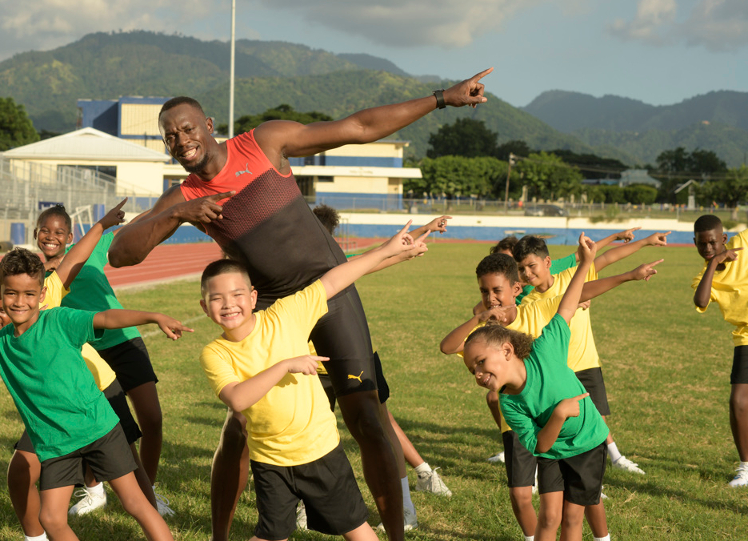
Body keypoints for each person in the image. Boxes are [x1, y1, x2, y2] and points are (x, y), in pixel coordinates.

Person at [109, 68, 492, 540]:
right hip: (269, 310)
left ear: (209, 124)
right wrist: (177, 213)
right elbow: (120, 254)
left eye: (187, 128)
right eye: (170, 136)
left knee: (367, 418)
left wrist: (441, 98)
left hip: (327, 292)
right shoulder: (184, 195)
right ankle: (220, 537)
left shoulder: (264, 142)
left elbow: (359, 128)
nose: (181, 140)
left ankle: (393, 533)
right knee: (239, 429)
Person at [198, 223, 426, 541]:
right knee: (272, 534)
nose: (228, 304)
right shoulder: (215, 353)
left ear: (253, 297)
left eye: (237, 294)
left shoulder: (285, 315)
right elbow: (237, 399)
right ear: (204, 307)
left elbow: (333, 280)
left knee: (355, 529)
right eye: (217, 298)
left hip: (319, 453)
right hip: (270, 462)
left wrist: (386, 250)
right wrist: (285, 365)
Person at [0, 248, 191, 541]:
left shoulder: (59, 320)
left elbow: (107, 318)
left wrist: (154, 316)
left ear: (40, 295)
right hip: (54, 444)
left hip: (98, 428)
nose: (20, 302)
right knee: (51, 519)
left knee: (134, 502)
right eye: (11, 294)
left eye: (29, 294)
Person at [440, 250, 659, 541]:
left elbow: (569, 300)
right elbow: (447, 346)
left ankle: (603, 538)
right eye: (484, 291)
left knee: (576, 513)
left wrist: (614, 271)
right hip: (542, 437)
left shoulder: (540, 333)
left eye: (496, 290)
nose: (490, 298)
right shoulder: (490, 358)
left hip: (583, 439)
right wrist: (479, 318)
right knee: (544, 511)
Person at [462, 233, 611, 541]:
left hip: (586, 442)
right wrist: (559, 413)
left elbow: (567, 307)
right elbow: (541, 446)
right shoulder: (508, 403)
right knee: (549, 518)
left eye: (480, 363)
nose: (477, 374)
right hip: (553, 448)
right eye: (472, 369)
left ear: (506, 350)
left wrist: (585, 264)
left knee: (571, 519)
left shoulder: (546, 347)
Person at [32, 203, 172, 515]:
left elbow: (137, 230)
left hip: (122, 339)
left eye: (59, 232)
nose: (51, 237)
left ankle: (148, 488)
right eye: (45, 230)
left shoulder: (89, 250)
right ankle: (95, 491)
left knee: (152, 418)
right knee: (99, 426)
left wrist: (175, 206)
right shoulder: (37, 277)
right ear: (35, 233)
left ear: (70, 236)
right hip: (85, 352)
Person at [311, 205, 452, 505]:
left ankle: (408, 497)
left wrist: (415, 240)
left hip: (353, 359)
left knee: (379, 429)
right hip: (311, 369)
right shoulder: (293, 273)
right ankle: (305, 506)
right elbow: (384, 254)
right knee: (309, 439)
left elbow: (381, 254)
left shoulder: (338, 268)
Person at [513, 231, 669, 476]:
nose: (527, 274)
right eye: (521, 270)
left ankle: (603, 471)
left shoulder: (571, 278)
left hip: (586, 362)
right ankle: (556, 475)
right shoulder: (528, 302)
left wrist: (645, 244)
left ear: (547, 262)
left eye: (531, 266)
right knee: (564, 428)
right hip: (559, 373)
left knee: (597, 420)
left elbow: (607, 258)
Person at [480, 228, 641, 464]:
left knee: (591, 414)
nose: (521, 273)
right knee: (542, 419)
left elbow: (587, 259)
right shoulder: (525, 300)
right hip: (553, 369)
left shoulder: (559, 279)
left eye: (518, 266)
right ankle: (524, 453)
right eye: (515, 268)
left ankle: (611, 459)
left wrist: (637, 246)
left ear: (545, 262)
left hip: (581, 361)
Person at [691, 214, 748, 487]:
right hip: (745, 337)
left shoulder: (744, 242)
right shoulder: (705, 275)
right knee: (738, 401)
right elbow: (701, 301)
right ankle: (746, 467)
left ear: (724, 238)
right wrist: (713, 263)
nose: (708, 249)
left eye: (713, 243)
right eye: (702, 245)